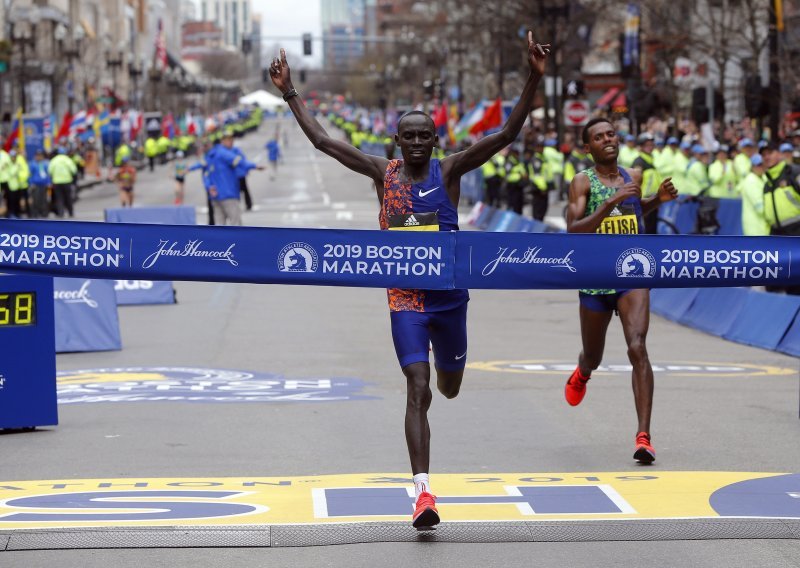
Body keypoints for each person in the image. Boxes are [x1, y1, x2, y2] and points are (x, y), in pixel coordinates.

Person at [270, 31, 550, 529]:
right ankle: (422, 494)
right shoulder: (384, 174)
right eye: (409, 136)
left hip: (450, 302)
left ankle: (449, 374)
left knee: (448, 386)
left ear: (435, 141)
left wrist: (533, 76)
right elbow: (322, 141)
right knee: (416, 386)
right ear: (397, 140)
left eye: (425, 135)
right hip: (406, 301)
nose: (417, 143)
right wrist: (290, 92)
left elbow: (506, 135)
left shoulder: (451, 171)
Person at [564, 117, 678, 464]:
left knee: (637, 346)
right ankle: (583, 371)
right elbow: (574, 230)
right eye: (599, 137)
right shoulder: (582, 182)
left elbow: (635, 211)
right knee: (593, 355)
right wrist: (610, 201)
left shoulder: (634, 176)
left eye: (611, 134)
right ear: (588, 148)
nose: (607, 140)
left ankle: (643, 436)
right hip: (596, 275)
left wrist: (656, 199)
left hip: (633, 269)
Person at [48, 147, 78, 218]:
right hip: (67, 181)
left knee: (59, 198)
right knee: (68, 198)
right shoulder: (67, 160)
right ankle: (70, 213)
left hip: (57, 182)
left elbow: (50, 171)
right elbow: (74, 170)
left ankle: (61, 213)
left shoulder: (54, 160)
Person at [28, 150, 50, 218]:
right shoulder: (32, 164)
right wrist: (31, 183)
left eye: (40, 155)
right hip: (35, 185)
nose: (39, 157)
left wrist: (49, 182)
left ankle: (44, 213)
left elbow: (48, 174)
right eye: (37, 155)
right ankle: (35, 213)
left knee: (44, 199)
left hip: (44, 185)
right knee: (36, 200)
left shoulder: (45, 164)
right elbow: (29, 175)